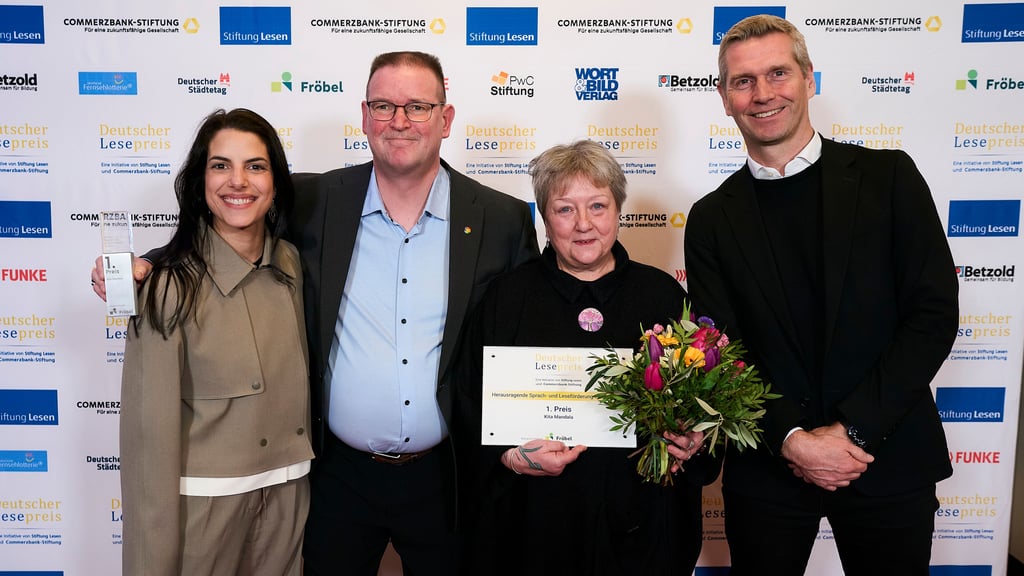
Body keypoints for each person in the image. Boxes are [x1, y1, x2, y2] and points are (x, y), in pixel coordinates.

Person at [95, 51, 539, 575]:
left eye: (418, 106)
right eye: (384, 105)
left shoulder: (502, 218)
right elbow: (229, 220)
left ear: (446, 118)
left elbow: (524, 332)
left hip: (447, 476)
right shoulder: (313, 200)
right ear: (364, 115)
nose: (399, 121)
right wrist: (147, 266)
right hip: (333, 476)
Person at [683, 15, 958, 576]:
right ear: (724, 97)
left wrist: (850, 430)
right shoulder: (711, 219)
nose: (763, 94)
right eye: (744, 81)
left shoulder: (889, 178)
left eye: (778, 73)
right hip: (768, 466)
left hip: (888, 454)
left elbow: (932, 314)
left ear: (809, 79)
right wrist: (792, 440)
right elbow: (722, 351)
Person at [456, 140, 720, 576]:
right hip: (533, 526)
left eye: (597, 206)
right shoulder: (506, 298)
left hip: (643, 526)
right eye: (564, 209)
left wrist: (696, 444)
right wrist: (507, 458)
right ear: (544, 218)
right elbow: (468, 403)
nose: (583, 224)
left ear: (618, 210)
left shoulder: (662, 296)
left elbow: (705, 406)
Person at [119, 108, 312, 575]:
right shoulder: (165, 286)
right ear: (200, 183)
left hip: (290, 495)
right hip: (205, 509)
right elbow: (148, 439)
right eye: (221, 165)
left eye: (256, 166)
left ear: (275, 181)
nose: (238, 181)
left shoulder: (290, 262)